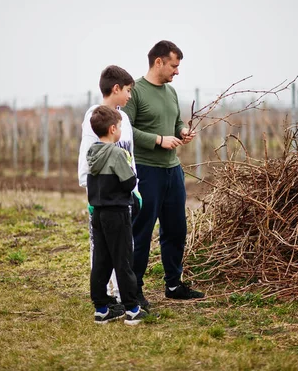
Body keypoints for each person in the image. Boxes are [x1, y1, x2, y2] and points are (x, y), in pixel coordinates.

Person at [123, 40, 205, 310]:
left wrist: (181, 131)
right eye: (174, 65)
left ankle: (173, 285)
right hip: (146, 172)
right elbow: (125, 130)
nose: (177, 71)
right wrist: (158, 139)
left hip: (173, 171)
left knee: (176, 229)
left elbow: (176, 121)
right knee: (142, 232)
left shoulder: (170, 92)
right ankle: (134, 290)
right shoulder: (135, 92)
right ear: (158, 62)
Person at [78, 65, 141, 306]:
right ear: (116, 88)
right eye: (127, 90)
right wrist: (90, 191)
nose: (129, 96)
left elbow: (129, 156)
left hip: (126, 193)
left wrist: (136, 188)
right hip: (105, 198)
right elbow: (89, 156)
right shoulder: (96, 116)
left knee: (125, 247)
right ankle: (107, 297)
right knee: (103, 250)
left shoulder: (122, 117)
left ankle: (121, 293)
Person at [86, 105, 148, 325]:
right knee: (123, 260)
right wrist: (129, 167)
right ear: (113, 129)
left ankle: (101, 308)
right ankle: (132, 309)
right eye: (120, 127)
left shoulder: (92, 152)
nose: (121, 131)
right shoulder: (117, 153)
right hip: (118, 214)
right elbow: (130, 182)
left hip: (99, 214)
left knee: (101, 261)